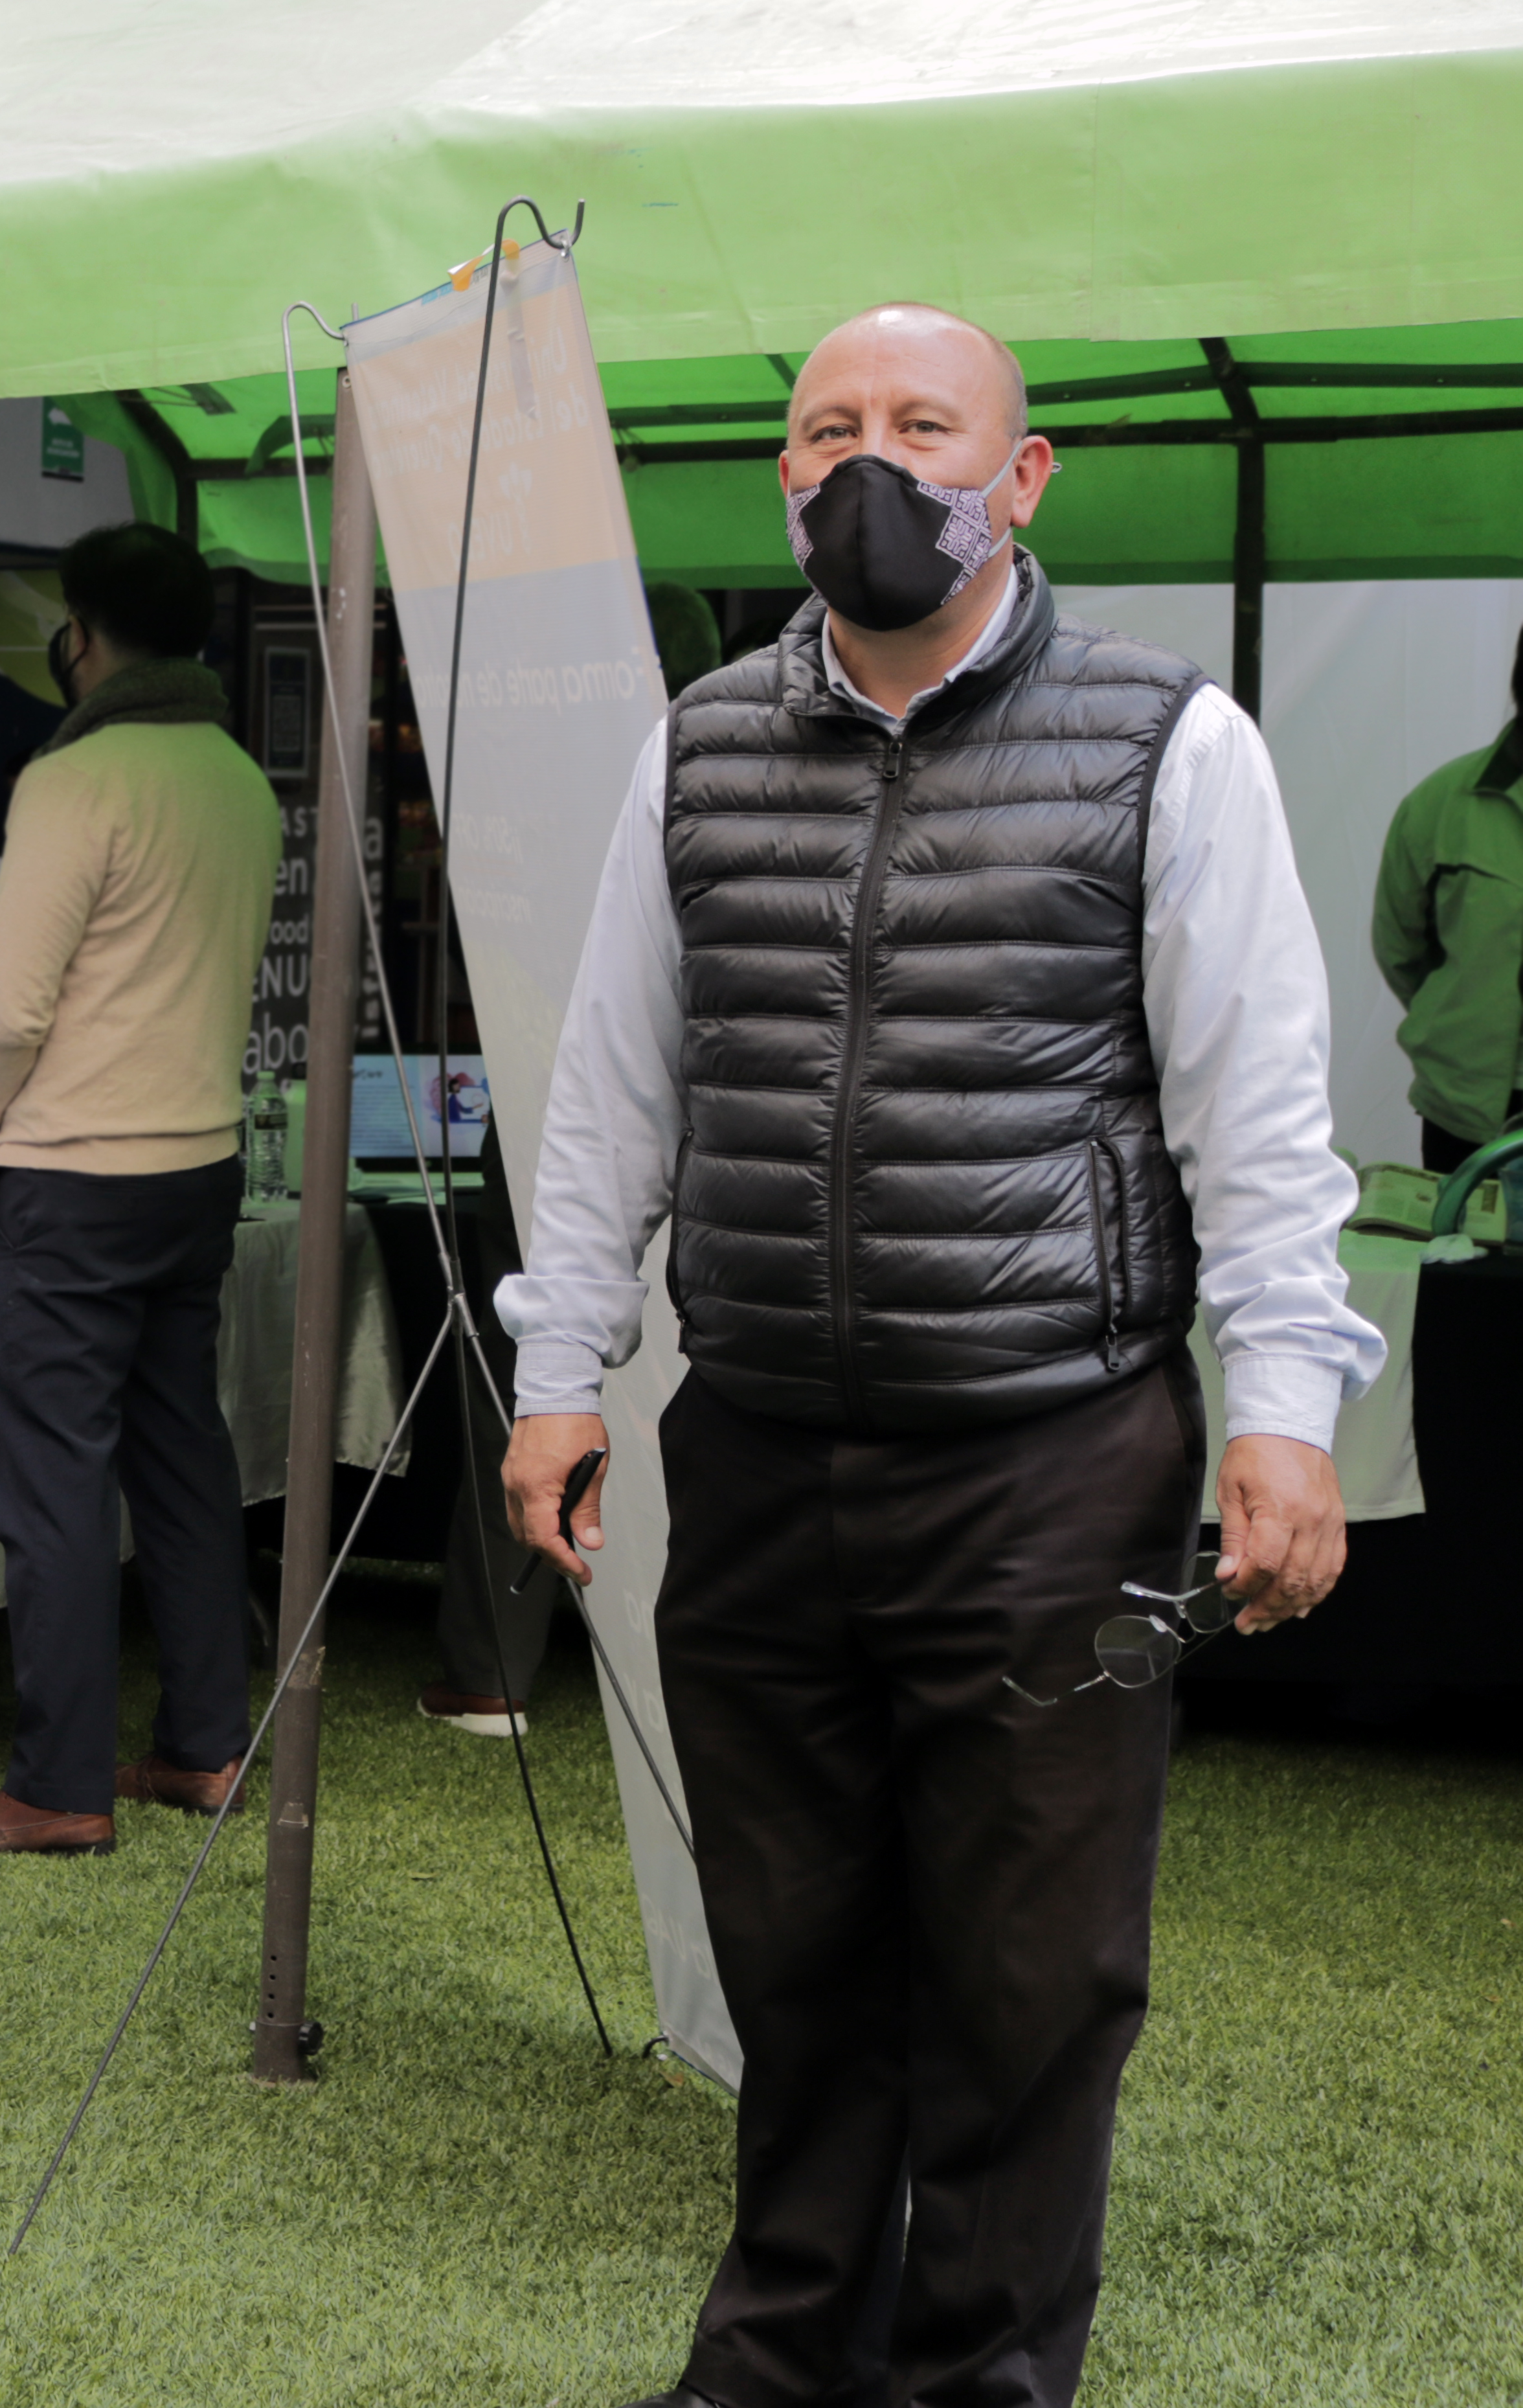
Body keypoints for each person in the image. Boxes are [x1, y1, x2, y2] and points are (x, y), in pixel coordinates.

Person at [497, 303, 1379, 2408]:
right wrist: (557, 1356)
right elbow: (610, 1084)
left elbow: (1253, 1114)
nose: (866, 461)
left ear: (1021, 472)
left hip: (1044, 1459)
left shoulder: (1165, 742)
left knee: (1022, 1964)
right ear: (776, 476)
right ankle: (780, 2354)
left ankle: (981, 2372)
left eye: (918, 423)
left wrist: (1280, 1414)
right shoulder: (696, 747)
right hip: (767, 1453)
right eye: (825, 427)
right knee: (794, 1952)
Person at [0, 522, 277, 1856]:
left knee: (54, 1480)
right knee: (181, 1457)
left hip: (70, 1170)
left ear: (84, 632)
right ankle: (207, 1744)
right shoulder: (236, 774)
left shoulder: (77, 778)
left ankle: (55, 1785)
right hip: (198, 1164)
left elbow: (4, 1001)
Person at [424, 583, 721, 1741]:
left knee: (531, 1382)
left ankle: (491, 1662)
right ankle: (540, 1657)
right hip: (684, 1128)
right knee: (581, 1384)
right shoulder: (739, 769)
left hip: (559, 1110)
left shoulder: (600, 783)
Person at [1370, 624, 1523, 1175]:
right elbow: (1399, 949)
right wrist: (1463, 1021)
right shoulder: (1442, 804)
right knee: (1464, 1259)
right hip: (1464, 1110)